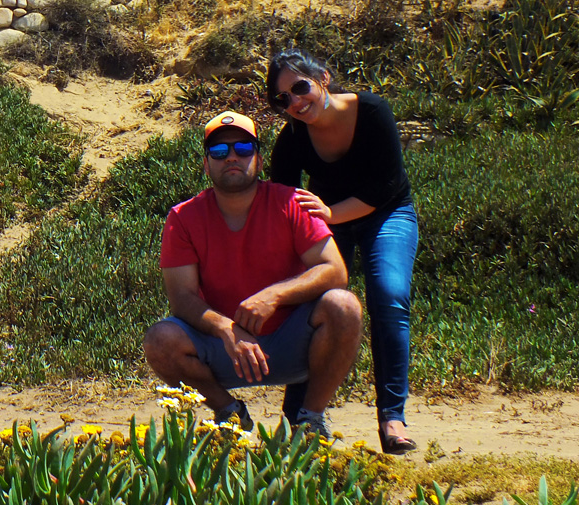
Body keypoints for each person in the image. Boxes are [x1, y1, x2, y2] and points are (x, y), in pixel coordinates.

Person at [142, 111, 363, 437]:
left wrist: (274, 295)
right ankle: (230, 414)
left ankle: (310, 419)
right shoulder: (183, 217)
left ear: (259, 161)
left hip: (292, 343)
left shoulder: (292, 203)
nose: (232, 157)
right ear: (206, 165)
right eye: (219, 151)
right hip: (225, 351)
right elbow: (181, 299)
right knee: (160, 339)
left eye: (243, 148)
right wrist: (227, 329)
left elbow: (335, 271)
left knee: (344, 306)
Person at [266, 47, 419, 455]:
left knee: (388, 295)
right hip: (328, 219)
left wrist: (331, 213)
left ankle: (392, 417)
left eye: (300, 87)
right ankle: (299, 417)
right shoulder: (293, 138)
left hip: (387, 212)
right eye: (283, 99)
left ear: (323, 78)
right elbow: (280, 196)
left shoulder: (372, 111)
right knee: (313, 302)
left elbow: (384, 187)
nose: (296, 102)